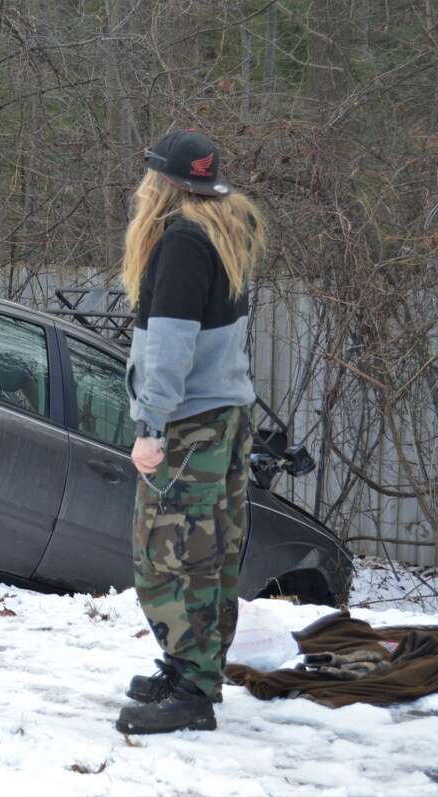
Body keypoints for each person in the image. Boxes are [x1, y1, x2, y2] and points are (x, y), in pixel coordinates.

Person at [115, 129, 266, 734]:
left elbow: (171, 346)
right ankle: (192, 668)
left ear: (162, 184)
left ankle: (194, 689)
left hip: (188, 425)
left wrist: (151, 425)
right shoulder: (223, 233)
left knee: (167, 556)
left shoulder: (179, 241)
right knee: (213, 551)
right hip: (225, 416)